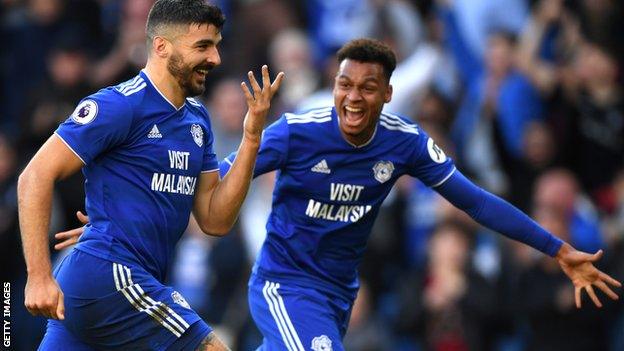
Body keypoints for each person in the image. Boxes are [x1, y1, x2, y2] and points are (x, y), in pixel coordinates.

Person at [57, 38, 620, 351]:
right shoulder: (297, 132)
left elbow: (474, 200)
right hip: (283, 283)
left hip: (336, 296)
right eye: (344, 84)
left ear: (387, 93)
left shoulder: (404, 144)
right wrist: (120, 223)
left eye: (366, 87)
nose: (352, 97)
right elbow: (212, 191)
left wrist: (556, 249)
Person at [18, 0, 283, 350]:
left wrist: (251, 139)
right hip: (111, 274)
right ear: (161, 46)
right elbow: (34, 175)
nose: (215, 59)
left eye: (217, 45)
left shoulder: (197, 121)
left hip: (114, 282)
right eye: (202, 46)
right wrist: (38, 276)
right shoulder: (119, 105)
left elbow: (214, 220)